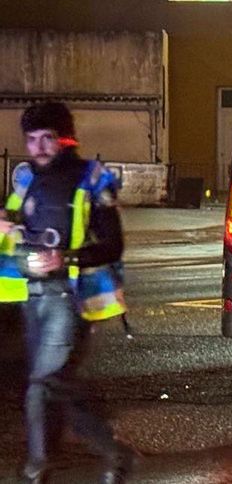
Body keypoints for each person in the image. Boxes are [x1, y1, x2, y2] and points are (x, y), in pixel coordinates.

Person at [0, 102, 134, 484]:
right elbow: (14, 221)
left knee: (44, 384)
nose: (39, 147)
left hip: (69, 298)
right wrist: (6, 224)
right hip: (31, 297)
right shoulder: (25, 179)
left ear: (65, 138)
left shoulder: (90, 179)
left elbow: (113, 245)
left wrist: (66, 258)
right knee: (58, 387)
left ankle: (38, 468)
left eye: (48, 138)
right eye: (32, 139)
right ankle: (112, 454)